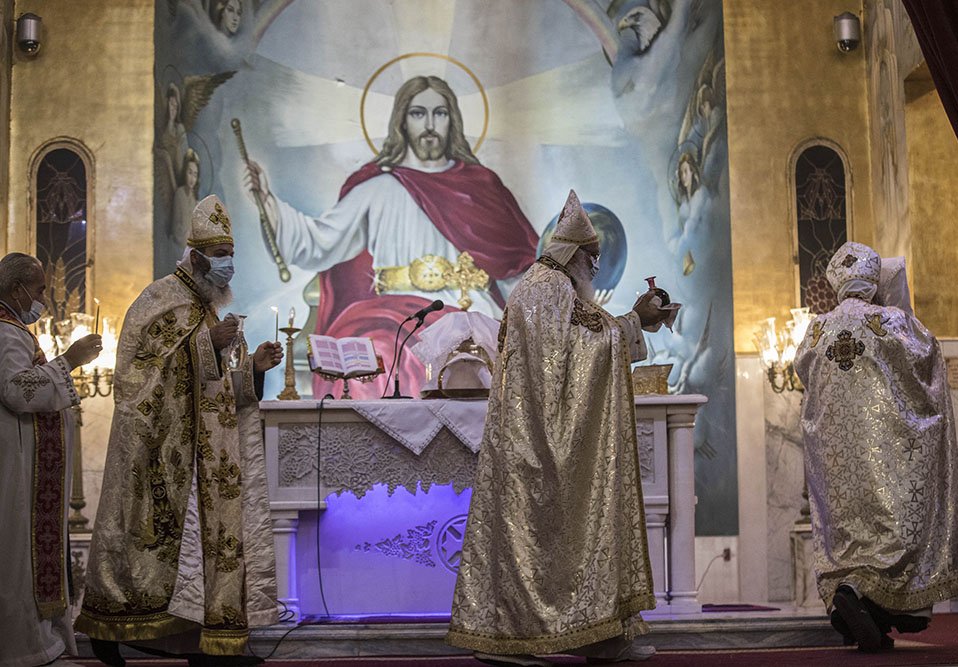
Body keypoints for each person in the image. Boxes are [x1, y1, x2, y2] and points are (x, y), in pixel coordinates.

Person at [446, 190, 676, 666]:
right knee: (543, 541)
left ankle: (597, 633)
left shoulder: (549, 288)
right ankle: (519, 636)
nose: (595, 269)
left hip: (540, 436)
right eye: (592, 258)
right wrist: (636, 319)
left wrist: (631, 323)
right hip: (539, 445)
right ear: (573, 255)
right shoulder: (547, 288)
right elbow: (576, 355)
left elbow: (580, 344)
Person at [75, 195, 284, 667]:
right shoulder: (159, 299)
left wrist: (252, 368)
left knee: (205, 551)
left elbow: (216, 390)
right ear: (194, 258)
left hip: (207, 457)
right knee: (156, 550)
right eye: (220, 261)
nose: (227, 270)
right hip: (163, 456)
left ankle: (207, 642)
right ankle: (111, 629)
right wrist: (205, 345)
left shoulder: (207, 306)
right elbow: (136, 378)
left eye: (230, 260)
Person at [244, 74, 539, 399]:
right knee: (378, 358)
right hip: (391, 316)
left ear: (451, 119)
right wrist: (268, 201)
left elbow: (517, 268)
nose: (429, 124)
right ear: (402, 121)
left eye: (439, 113)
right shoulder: (377, 188)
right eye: (418, 113)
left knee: (486, 358)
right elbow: (318, 244)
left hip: (468, 311)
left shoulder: (482, 187)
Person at [793, 241, 958, 653]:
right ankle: (864, 600)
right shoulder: (892, 323)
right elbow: (927, 356)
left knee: (849, 537)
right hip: (888, 458)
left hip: (835, 465)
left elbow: (802, 374)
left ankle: (860, 606)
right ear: (873, 282)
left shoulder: (815, 331)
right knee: (892, 532)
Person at [0, 252, 103, 667]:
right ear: (16, 288)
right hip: (15, 470)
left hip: (26, 467)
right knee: (16, 557)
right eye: (40, 289)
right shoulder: (6, 333)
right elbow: (18, 391)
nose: (43, 298)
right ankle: (21, 647)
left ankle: (37, 642)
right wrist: (70, 361)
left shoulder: (15, 331)